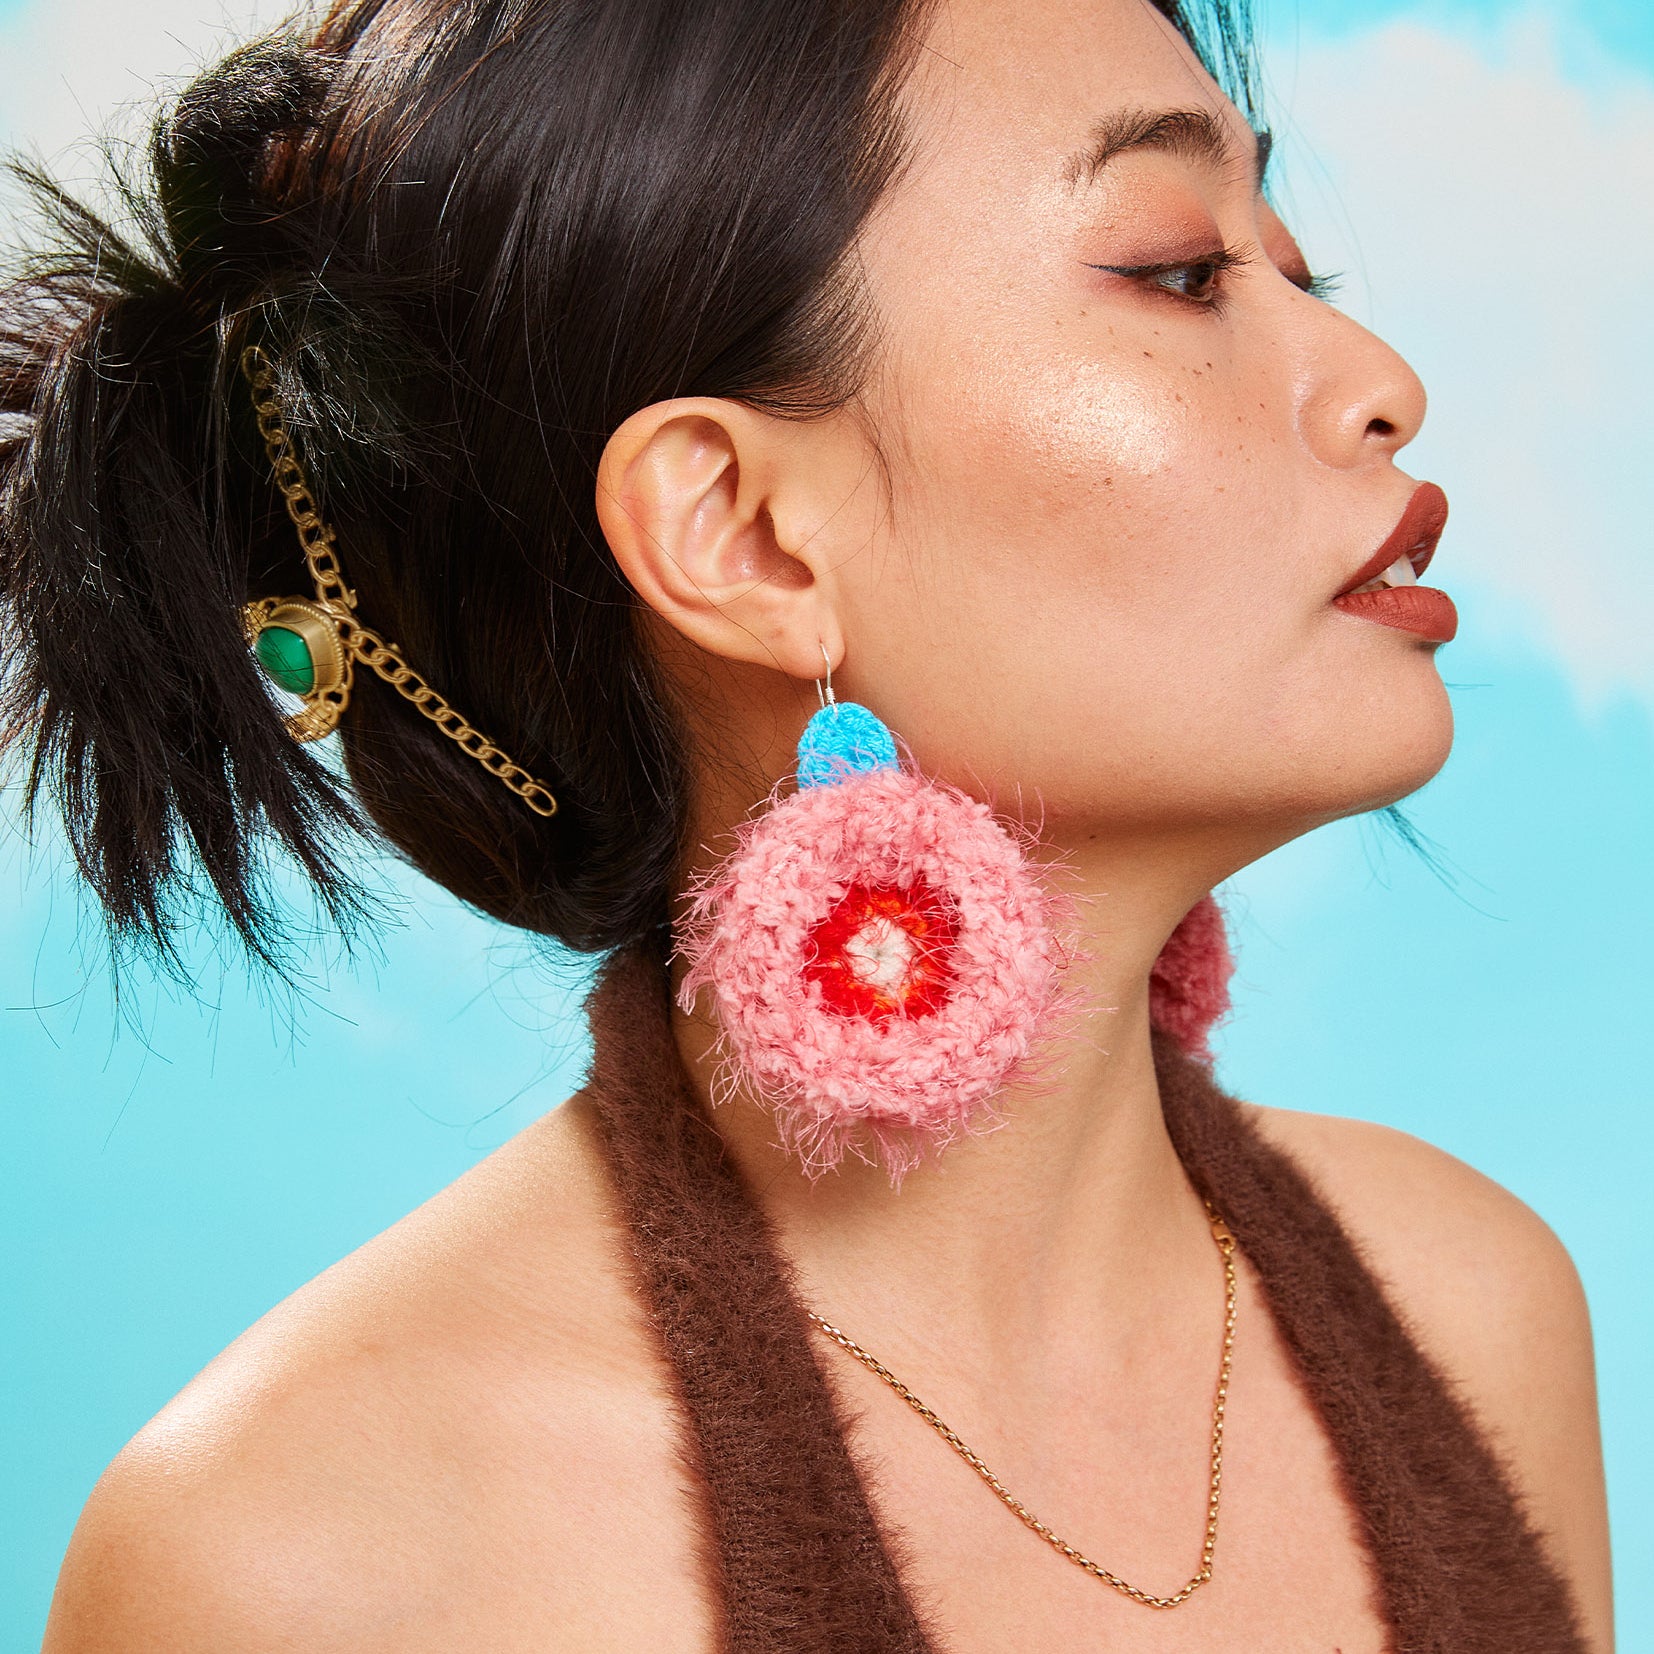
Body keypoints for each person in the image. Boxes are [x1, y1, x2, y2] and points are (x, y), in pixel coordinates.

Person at [1, 0, 1611, 1648]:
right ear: (744, 535)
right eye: (1178, 272)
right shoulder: (307, 1553)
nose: (1379, 384)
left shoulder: (1470, 1305)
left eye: (1300, 270)